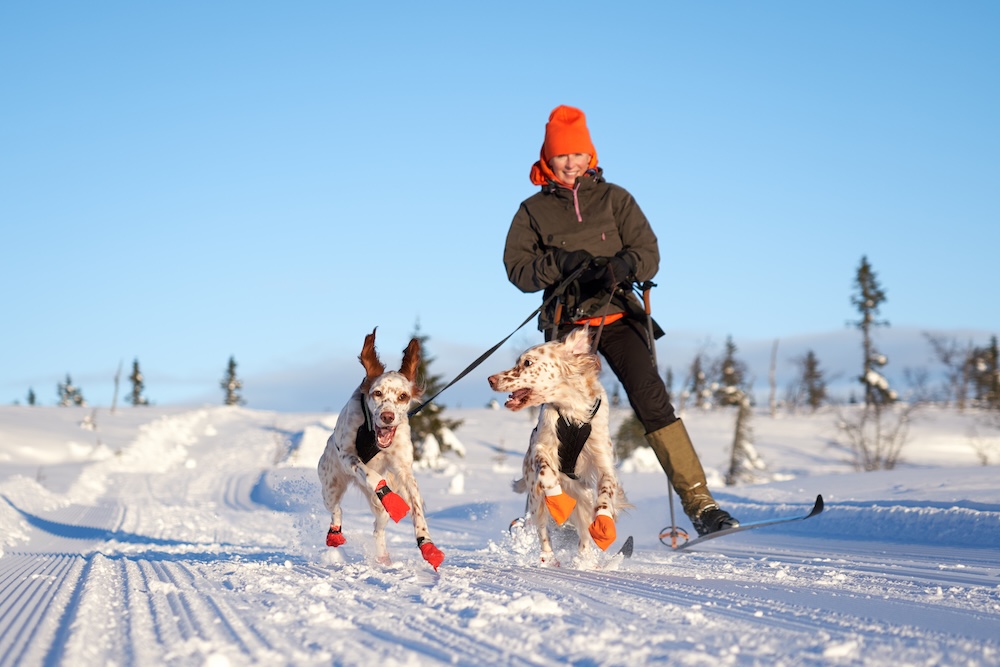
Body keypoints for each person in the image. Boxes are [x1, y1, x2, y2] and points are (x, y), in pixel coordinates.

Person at [502, 104, 740, 536]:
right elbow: (518, 270)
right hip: (568, 322)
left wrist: (627, 264)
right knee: (562, 417)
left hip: (617, 315)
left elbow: (649, 253)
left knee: (652, 400)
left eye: (578, 155)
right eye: (562, 156)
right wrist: (560, 262)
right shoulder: (532, 211)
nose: (571, 163)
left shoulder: (616, 199)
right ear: (547, 159)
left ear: (589, 156)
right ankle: (554, 510)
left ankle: (702, 506)